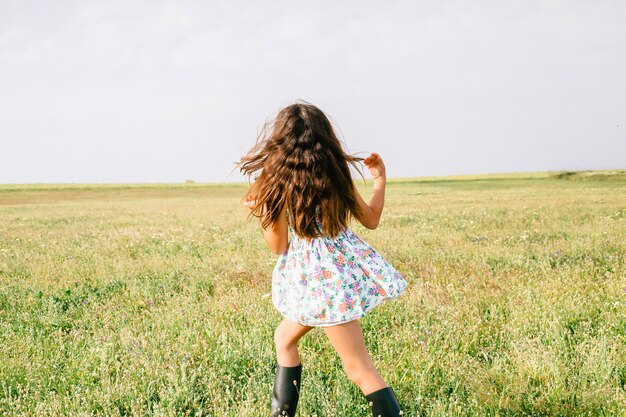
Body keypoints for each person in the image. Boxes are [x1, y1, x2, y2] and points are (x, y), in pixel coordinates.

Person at [239, 101, 408, 417]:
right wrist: (380, 180)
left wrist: (264, 214)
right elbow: (371, 219)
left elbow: (277, 245)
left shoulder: (277, 183)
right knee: (284, 339)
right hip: (330, 277)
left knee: (359, 367)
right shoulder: (336, 173)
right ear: (325, 138)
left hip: (317, 281)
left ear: (281, 142)